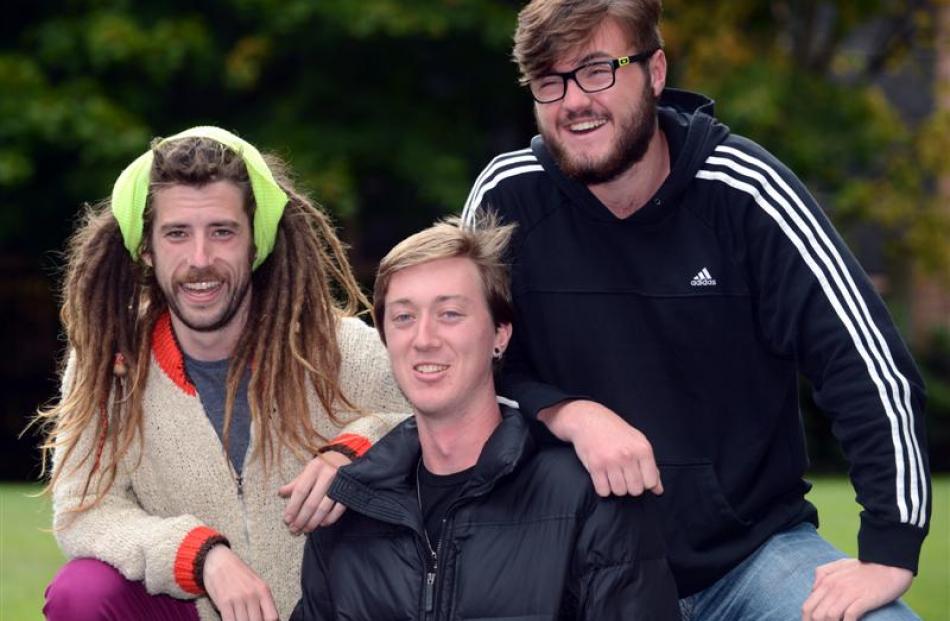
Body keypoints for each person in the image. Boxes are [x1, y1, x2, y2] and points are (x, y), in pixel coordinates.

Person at [460, 2, 931, 619]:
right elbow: (450, 368)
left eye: (599, 69)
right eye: (551, 80)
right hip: (571, 569)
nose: (574, 100)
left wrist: (890, 549)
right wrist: (565, 411)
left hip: (750, 561)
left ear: (655, 72)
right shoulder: (506, 195)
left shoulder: (746, 191)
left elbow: (864, 363)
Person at [37, 126, 409, 621]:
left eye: (222, 231)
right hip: (198, 610)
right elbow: (83, 512)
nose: (200, 259)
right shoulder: (110, 363)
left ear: (255, 240)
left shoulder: (333, 346)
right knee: (81, 592)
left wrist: (358, 451)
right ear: (146, 249)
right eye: (176, 233)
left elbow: (433, 416)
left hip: (335, 608)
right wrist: (198, 554)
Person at [291, 217, 680, 620]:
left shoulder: (587, 499)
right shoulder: (347, 511)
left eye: (450, 314)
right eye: (404, 317)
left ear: (500, 335)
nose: (424, 339)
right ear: (386, 340)